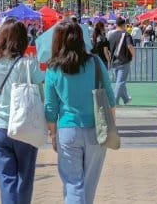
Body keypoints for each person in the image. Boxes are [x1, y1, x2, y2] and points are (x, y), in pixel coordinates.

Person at [44, 20, 115, 204]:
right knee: (89, 184)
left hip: (67, 129)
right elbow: (109, 96)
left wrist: (52, 134)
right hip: (96, 129)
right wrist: (111, 126)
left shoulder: (53, 69)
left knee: (73, 184)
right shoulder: (96, 62)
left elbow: (50, 108)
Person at [0, 21, 44, 204]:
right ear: (23, 41)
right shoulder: (28, 65)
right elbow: (41, 95)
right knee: (25, 178)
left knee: (6, 179)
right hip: (25, 127)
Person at [106, 17, 135, 105]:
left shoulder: (111, 35)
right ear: (124, 24)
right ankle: (114, 101)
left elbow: (108, 48)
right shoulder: (126, 34)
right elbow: (130, 46)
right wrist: (133, 55)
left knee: (120, 81)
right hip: (124, 60)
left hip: (114, 61)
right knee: (121, 82)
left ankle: (125, 98)